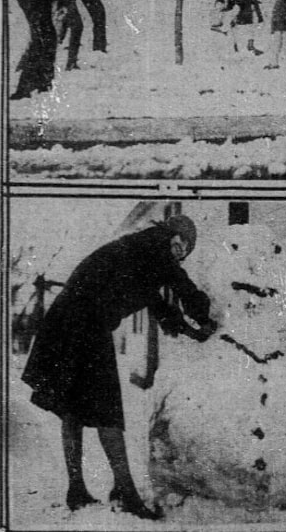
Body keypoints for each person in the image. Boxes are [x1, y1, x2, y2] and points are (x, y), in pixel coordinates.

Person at [21, 215, 216, 519]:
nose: (179, 255)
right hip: (85, 325)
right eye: (180, 247)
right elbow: (180, 285)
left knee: (72, 408)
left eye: (184, 252)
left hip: (66, 323)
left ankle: (77, 489)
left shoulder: (139, 252)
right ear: (172, 238)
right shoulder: (153, 246)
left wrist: (187, 328)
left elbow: (156, 301)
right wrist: (206, 315)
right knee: (107, 410)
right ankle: (125, 492)